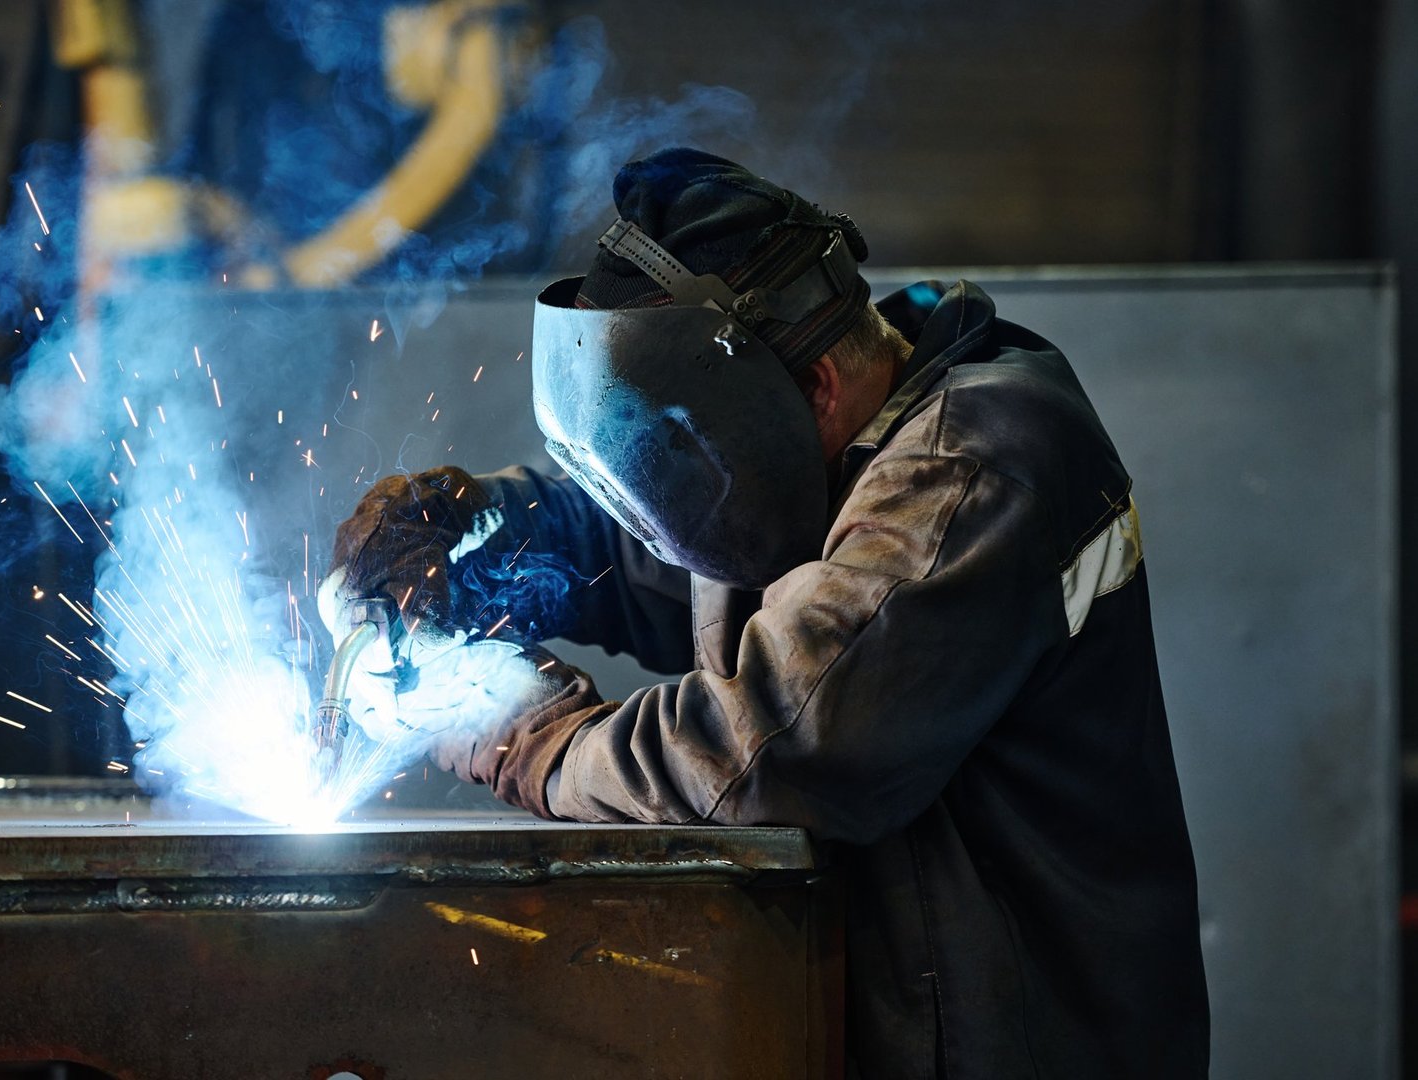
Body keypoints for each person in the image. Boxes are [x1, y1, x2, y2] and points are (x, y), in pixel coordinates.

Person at [320, 147, 1210, 1078]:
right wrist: (480, 529)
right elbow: (654, 546)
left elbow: (769, 746)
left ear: (816, 386)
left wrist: (511, 725)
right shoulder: (824, 442)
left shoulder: (970, 470)